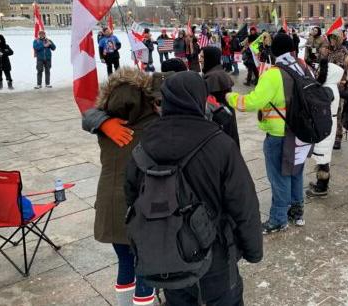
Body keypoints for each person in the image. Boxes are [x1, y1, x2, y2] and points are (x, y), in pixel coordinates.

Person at [125, 72, 263, 305]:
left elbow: (130, 198)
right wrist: (253, 250)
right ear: (199, 98)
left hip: (166, 252)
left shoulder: (144, 143)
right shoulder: (220, 144)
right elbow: (244, 204)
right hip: (215, 252)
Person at [82, 68, 159, 306]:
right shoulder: (156, 125)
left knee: (125, 263)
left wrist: (102, 121)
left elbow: (88, 115)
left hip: (111, 206)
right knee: (146, 266)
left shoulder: (105, 124)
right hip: (144, 207)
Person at [227, 33, 311, 234]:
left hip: (279, 134)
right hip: (302, 132)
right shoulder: (303, 67)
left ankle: (278, 218)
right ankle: (297, 211)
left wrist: (230, 96)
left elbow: (252, 102)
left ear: (274, 51)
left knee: (279, 177)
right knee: (296, 172)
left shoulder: (273, 74)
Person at [306, 59, 344, 197]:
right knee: (323, 156)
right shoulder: (330, 86)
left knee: (323, 157)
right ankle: (320, 181)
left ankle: (322, 187)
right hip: (326, 122)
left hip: (326, 124)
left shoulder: (329, 89)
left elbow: (316, 101)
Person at [200, 46, 239, 146]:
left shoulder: (214, 76)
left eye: (203, 57)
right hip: (224, 121)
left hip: (219, 123)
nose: (200, 59)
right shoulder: (216, 73)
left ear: (210, 58)